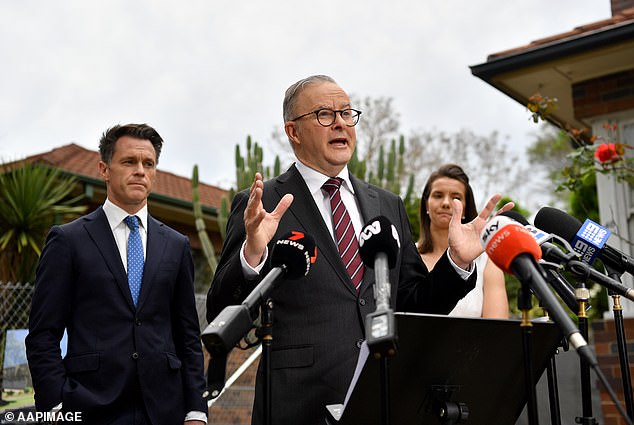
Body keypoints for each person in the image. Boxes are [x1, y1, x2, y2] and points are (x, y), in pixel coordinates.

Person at [206, 75, 512, 425]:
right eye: (324, 114)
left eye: (347, 113)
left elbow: (414, 304)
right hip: (297, 404)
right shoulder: (263, 203)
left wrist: (455, 261)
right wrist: (252, 255)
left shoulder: (387, 204)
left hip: (382, 397)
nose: (340, 123)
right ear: (293, 131)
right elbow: (220, 308)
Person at [26, 124, 207, 425]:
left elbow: (187, 337)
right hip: (89, 408)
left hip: (165, 411)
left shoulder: (176, 246)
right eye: (129, 162)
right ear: (104, 169)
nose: (140, 171)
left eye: (148, 164)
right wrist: (55, 409)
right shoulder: (68, 240)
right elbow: (43, 335)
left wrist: (196, 410)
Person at [418, 164, 509, 318]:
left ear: (466, 207)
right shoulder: (407, 256)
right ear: (426, 204)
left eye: (456, 197)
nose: (446, 203)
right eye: (438, 195)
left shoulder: (485, 260)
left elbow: (497, 329)